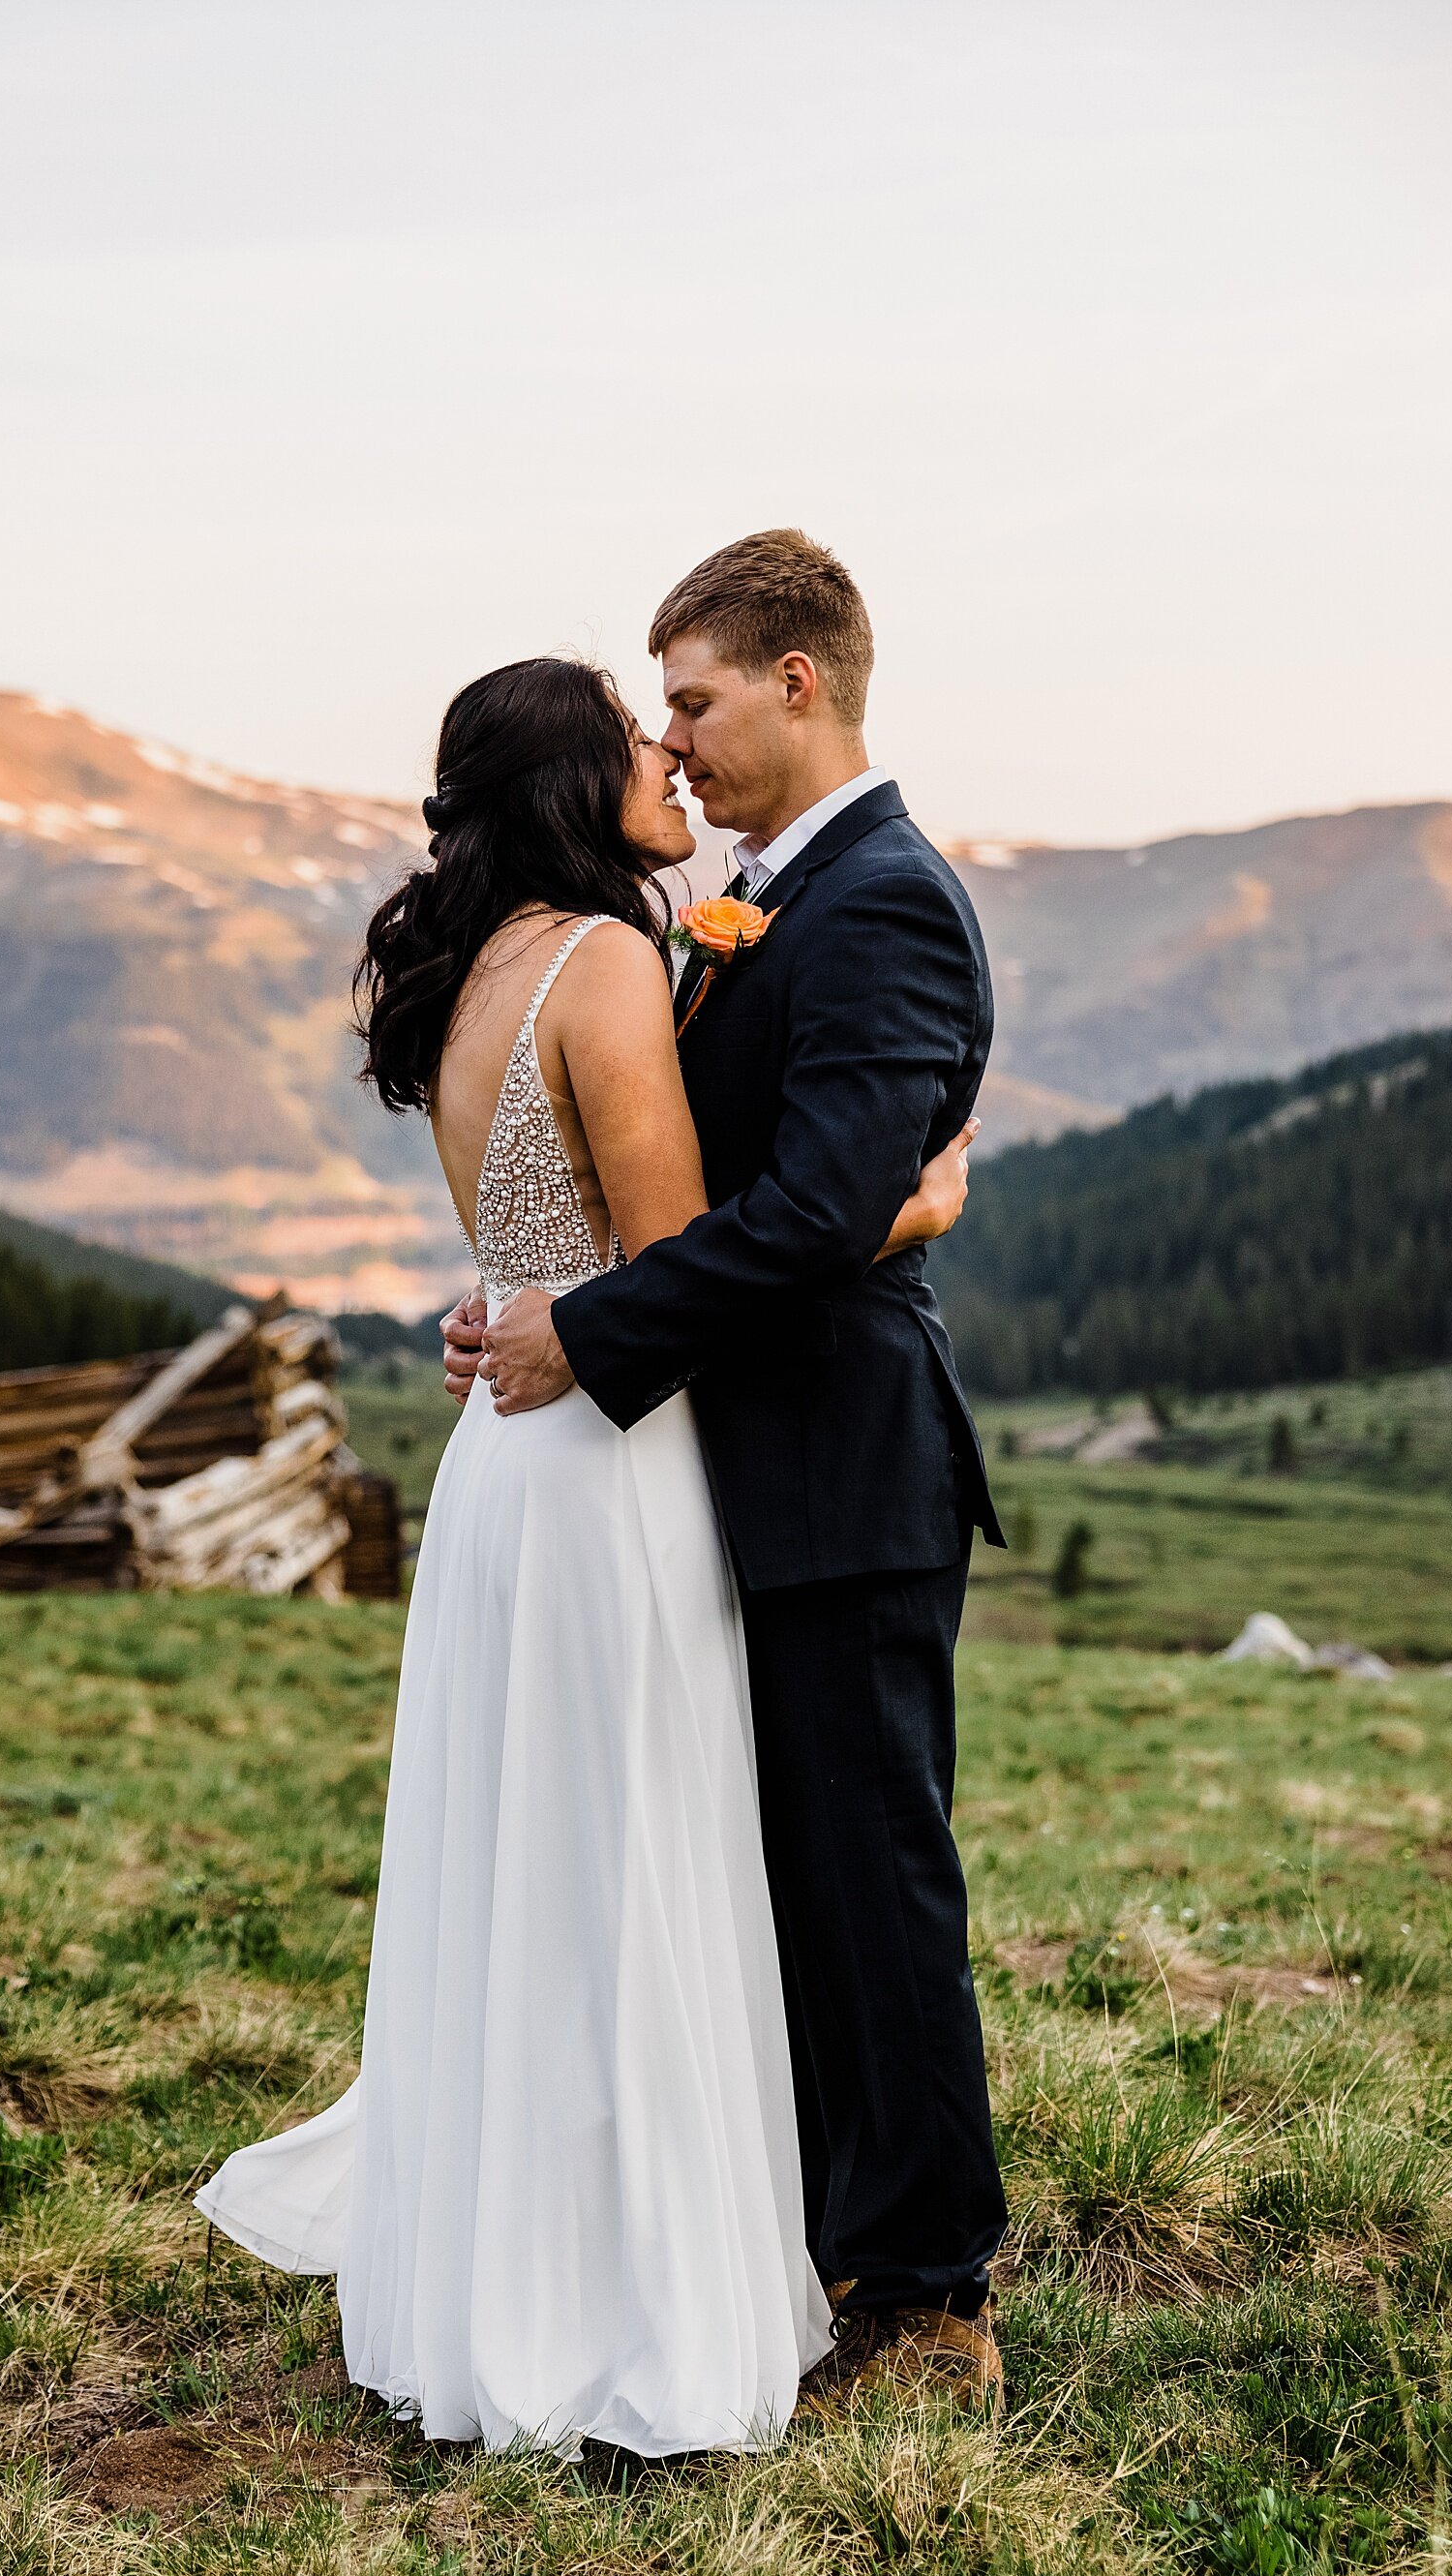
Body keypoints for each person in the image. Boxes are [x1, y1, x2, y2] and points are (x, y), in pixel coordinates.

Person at [195, 653, 974, 2456]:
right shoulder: (615, 956)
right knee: (630, 1864)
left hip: (506, 1464)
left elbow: (559, 1250)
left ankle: (506, 2263)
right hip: (612, 1463)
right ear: (571, 777)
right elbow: (686, 1238)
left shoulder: (480, 972)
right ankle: (630, 2288)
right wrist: (912, 1196)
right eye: (638, 729)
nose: (665, 748)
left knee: (525, 1870)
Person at [463, 530, 1010, 2400]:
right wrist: (542, 1298)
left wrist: (586, 1331)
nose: (674, 743)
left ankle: (932, 2297)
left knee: (870, 1880)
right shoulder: (760, 898)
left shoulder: (884, 901)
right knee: (773, 1877)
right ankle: (805, 2238)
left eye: (691, 697)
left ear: (798, 678)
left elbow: (814, 1212)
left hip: (840, 1470)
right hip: (724, 1464)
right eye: (655, 712)